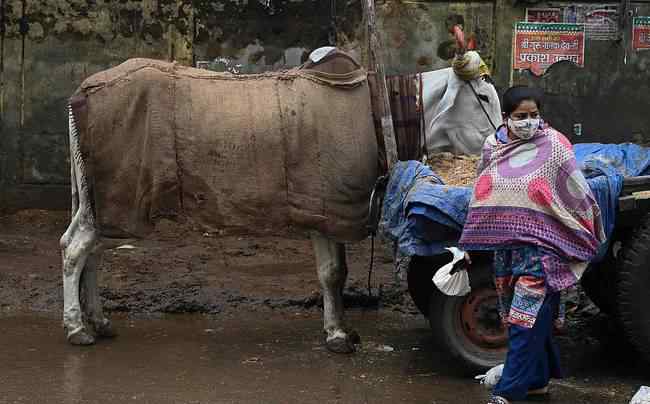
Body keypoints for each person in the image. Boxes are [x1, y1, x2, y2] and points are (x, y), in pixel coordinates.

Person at [458, 86, 605, 404]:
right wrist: (471, 236)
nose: (528, 122)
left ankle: (507, 392)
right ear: (506, 118)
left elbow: (576, 189)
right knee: (529, 316)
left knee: (525, 320)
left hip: (543, 249)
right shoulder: (492, 146)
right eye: (521, 117)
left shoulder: (554, 146)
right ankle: (537, 380)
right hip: (506, 251)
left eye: (534, 116)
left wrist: (586, 225)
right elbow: (483, 189)